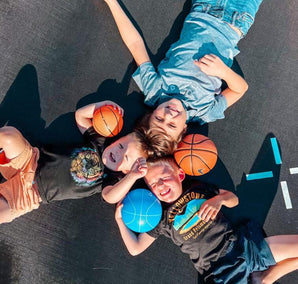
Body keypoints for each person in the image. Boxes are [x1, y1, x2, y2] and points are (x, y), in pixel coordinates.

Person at [102, 0, 265, 143]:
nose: (168, 115)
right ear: (183, 130)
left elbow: (135, 44)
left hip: (203, 6)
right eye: (172, 125)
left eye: (159, 118)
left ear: (150, 115)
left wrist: (112, 3)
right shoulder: (204, 113)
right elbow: (240, 89)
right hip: (237, 16)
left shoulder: (154, 91)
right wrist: (223, 71)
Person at [114, 157, 298, 283]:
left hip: (245, 247)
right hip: (222, 271)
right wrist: (120, 221)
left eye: (164, 177)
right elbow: (135, 248)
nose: (160, 185)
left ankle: (266, 278)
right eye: (153, 184)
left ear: (180, 175)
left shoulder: (199, 187)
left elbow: (234, 200)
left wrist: (219, 200)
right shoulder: (160, 218)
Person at [0, 100, 156, 223]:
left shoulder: (110, 178)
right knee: (9, 135)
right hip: (29, 160)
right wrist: (102, 106)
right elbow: (80, 116)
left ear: (127, 170)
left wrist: (133, 176)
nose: (119, 152)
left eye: (126, 157)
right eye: (121, 145)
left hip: (30, 192)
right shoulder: (99, 142)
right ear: (117, 139)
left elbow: (110, 197)